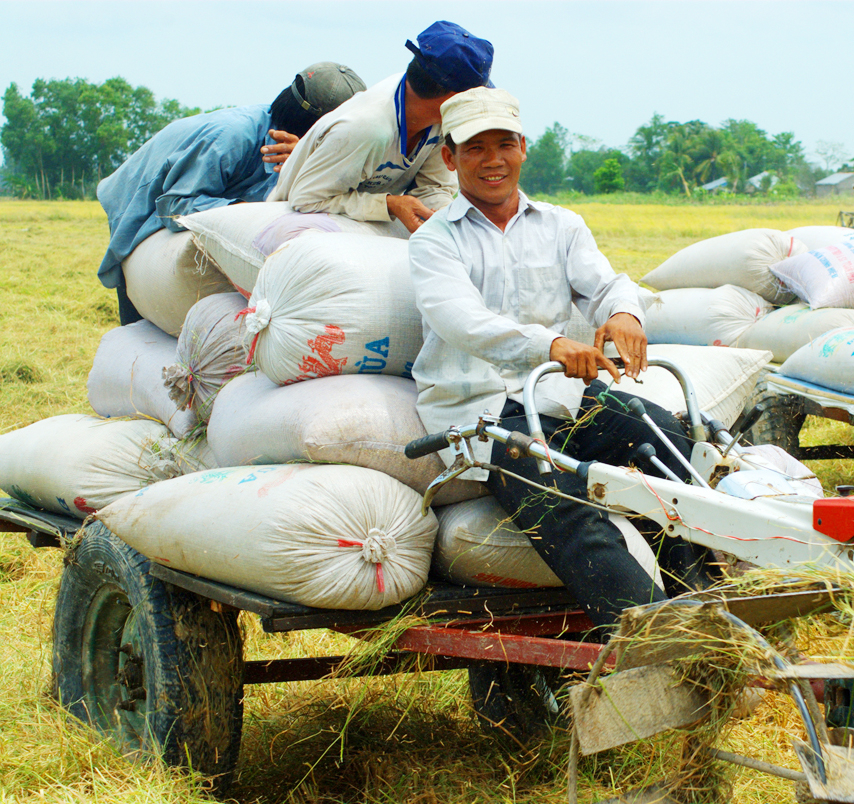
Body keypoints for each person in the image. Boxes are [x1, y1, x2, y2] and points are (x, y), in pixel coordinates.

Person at [408, 88, 711, 631]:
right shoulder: (435, 241)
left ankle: (707, 603)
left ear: (524, 148)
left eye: (505, 144)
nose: (493, 160)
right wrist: (549, 345)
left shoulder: (561, 225)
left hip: (559, 393)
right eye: (475, 148)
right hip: (480, 409)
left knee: (666, 440)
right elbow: (459, 319)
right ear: (450, 158)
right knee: (560, 500)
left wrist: (624, 313)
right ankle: (652, 633)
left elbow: (607, 284)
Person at [97, 62, 365, 324]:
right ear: (314, 128)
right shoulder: (232, 136)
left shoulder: (299, 150)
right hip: (139, 196)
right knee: (141, 307)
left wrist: (306, 160)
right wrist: (247, 214)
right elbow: (176, 204)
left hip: (194, 189)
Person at [270, 20, 493, 234]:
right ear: (452, 97)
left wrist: (452, 220)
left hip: (354, 223)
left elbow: (432, 188)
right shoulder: (368, 127)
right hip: (294, 220)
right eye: (473, 96)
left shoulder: (441, 120)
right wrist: (389, 204)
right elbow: (306, 199)